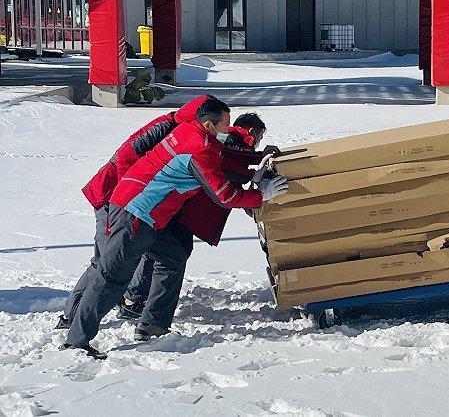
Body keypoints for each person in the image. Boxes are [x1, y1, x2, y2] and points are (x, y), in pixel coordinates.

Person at [61, 99, 288, 358]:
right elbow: (223, 194)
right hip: (135, 212)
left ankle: (153, 325)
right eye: (225, 125)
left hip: (152, 216)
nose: (230, 129)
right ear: (208, 125)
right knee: (112, 277)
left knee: (173, 256)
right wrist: (262, 196)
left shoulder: (194, 133)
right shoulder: (197, 148)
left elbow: (222, 161)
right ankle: (76, 340)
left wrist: (252, 172)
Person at [57, 95, 211, 330]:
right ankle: (72, 315)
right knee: (105, 262)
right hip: (111, 199)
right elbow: (126, 158)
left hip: (134, 203)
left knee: (153, 252)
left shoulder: (181, 131)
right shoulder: (166, 129)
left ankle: (132, 301)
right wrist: (130, 196)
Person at [117, 112, 271, 336]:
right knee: (168, 256)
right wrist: (258, 174)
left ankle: (136, 300)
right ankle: (145, 312)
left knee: (163, 253)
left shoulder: (227, 140)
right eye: (259, 137)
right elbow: (230, 167)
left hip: (182, 207)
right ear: (252, 131)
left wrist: (256, 164)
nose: (258, 141)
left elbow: (234, 164)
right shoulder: (235, 140)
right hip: (188, 209)